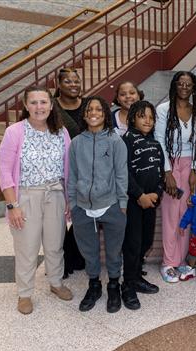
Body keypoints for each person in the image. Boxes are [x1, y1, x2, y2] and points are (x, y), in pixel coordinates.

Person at [0, 86, 73, 315]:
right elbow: (4, 171)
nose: (39, 107)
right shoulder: (15, 132)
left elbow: (67, 169)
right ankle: (25, 293)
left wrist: (68, 200)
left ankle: (56, 282)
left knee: (54, 244)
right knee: (26, 247)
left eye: (43, 102)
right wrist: (13, 206)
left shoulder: (61, 131)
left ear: (51, 105)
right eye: (34, 102)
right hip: (26, 196)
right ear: (25, 105)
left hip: (56, 194)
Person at [68, 96, 128, 313]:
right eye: (89, 109)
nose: (94, 113)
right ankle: (94, 285)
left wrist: (122, 204)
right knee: (89, 251)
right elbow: (72, 175)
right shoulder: (76, 143)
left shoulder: (115, 141)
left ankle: (114, 285)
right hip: (83, 207)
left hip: (112, 205)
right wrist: (73, 203)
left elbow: (122, 175)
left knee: (113, 250)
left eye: (99, 110)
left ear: (105, 114)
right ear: (84, 114)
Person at [154, 71, 196, 283]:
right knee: (170, 215)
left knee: (187, 213)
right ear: (175, 85)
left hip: (190, 167)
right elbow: (159, 141)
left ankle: (182, 260)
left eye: (189, 84)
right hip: (171, 165)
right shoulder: (163, 109)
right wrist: (167, 172)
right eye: (181, 83)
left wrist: (194, 170)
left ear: (193, 88)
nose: (184, 87)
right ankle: (168, 262)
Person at [121, 101, 164, 310]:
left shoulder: (155, 144)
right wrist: (139, 195)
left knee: (146, 240)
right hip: (133, 202)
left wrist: (157, 192)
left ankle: (137, 276)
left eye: (150, 117)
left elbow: (159, 172)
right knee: (132, 243)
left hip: (151, 201)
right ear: (132, 119)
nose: (147, 120)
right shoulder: (126, 140)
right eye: (142, 116)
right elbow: (123, 172)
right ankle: (127, 284)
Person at [54, 67, 86, 278]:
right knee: (57, 217)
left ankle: (74, 253)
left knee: (82, 213)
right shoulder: (52, 107)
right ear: (59, 84)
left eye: (76, 81)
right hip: (60, 166)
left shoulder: (88, 104)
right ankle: (60, 262)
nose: (73, 84)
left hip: (85, 167)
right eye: (68, 81)